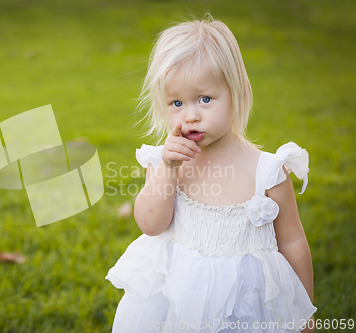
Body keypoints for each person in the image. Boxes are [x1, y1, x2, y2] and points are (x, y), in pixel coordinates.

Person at [106, 17, 316, 333]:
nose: (190, 115)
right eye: (177, 103)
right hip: (178, 306)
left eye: (205, 99)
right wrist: (169, 170)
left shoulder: (267, 172)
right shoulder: (165, 164)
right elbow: (150, 225)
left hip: (248, 310)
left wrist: (303, 315)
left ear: (237, 93)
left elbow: (293, 241)